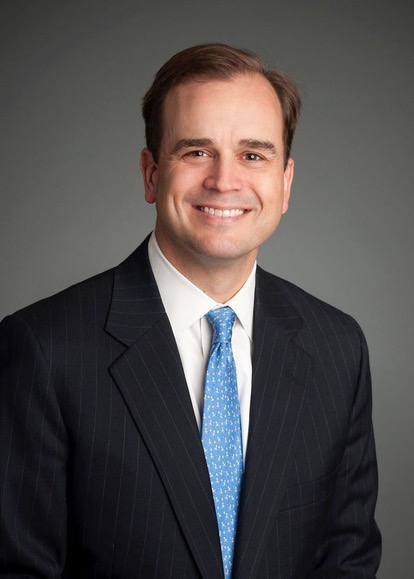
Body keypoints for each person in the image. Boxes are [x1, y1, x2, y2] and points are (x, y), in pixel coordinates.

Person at [0, 43, 381, 578]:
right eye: (197, 152)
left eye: (253, 155)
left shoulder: (337, 347)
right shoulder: (44, 349)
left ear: (285, 183)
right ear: (151, 173)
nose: (224, 181)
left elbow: (348, 558)